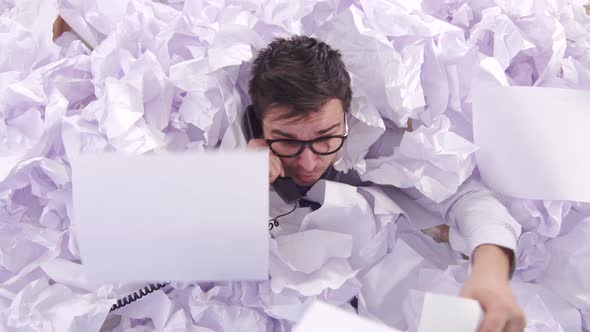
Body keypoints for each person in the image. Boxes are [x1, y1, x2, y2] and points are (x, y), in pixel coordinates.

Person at [246, 35, 525, 332]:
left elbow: (470, 200)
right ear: (256, 121)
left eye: (326, 137)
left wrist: (491, 276)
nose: (308, 163)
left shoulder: (370, 142)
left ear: (347, 116)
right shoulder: (228, 146)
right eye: (287, 141)